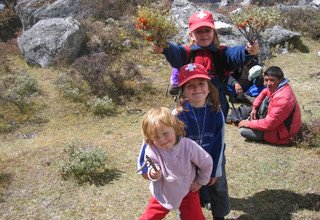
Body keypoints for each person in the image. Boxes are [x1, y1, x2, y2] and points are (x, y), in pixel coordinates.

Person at [138, 63, 230, 219]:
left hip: (211, 157)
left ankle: (220, 215)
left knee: (218, 186)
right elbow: (151, 137)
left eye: (201, 83)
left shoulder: (216, 111)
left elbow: (218, 143)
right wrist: (145, 167)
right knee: (189, 191)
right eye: (190, 86)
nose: (197, 89)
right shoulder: (177, 114)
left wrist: (215, 170)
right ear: (183, 91)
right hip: (185, 162)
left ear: (209, 86)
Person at [152, 10, 260, 118]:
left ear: (214, 32)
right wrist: (164, 47)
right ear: (191, 35)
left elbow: (234, 54)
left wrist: (247, 51)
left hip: (217, 108)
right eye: (198, 31)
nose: (204, 35)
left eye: (207, 30)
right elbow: (174, 51)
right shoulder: (186, 53)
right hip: (191, 109)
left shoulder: (222, 53)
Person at [138, 106, 213, 220]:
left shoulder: (188, 146)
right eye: (156, 137)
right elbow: (151, 163)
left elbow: (206, 162)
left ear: (175, 128)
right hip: (163, 190)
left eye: (165, 134)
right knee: (149, 217)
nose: (162, 139)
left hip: (188, 189)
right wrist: (153, 172)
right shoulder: (152, 148)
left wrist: (201, 181)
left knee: (195, 217)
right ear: (150, 138)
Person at [238, 66, 302, 145]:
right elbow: (265, 91)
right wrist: (255, 107)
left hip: (283, 135)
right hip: (280, 126)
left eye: (272, 80)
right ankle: (257, 120)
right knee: (265, 97)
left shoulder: (283, 99)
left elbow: (269, 124)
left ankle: (255, 122)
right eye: (266, 80)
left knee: (242, 130)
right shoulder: (281, 87)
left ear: (280, 80)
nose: (268, 84)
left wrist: (249, 124)